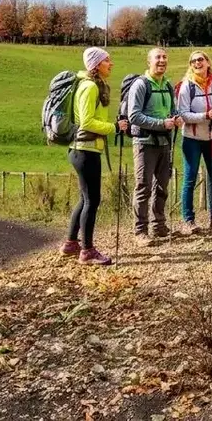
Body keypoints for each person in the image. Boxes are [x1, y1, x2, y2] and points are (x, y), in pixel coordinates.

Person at [59, 47, 117, 265]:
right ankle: (88, 251)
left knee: (84, 198)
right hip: (86, 150)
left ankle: (71, 243)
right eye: (107, 61)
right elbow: (87, 122)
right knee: (93, 200)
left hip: (82, 150)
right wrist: (113, 127)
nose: (111, 64)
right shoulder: (90, 87)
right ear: (96, 65)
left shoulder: (89, 85)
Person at [126, 47, 182, 246]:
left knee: (162, 185)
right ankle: (140, 231)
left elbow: (173, 110)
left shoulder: (167, 85)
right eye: (157, 57)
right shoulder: (140, 85)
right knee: (143, 186)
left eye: (164, 57)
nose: (162, 60)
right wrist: (161, 124)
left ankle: (159, 225)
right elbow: (134, 116)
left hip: (164, 142)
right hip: (144, 143)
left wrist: (176, 119)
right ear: (148, 62)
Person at [177, 51, 212, 233]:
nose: (197, 63)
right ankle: (188, 219)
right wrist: (205, 116)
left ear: (208, 62)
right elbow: (183, 114)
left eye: (201, 59)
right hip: (192, 139)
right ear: (190, 65)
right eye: (193, 61)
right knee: (190, 177)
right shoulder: (187, 86)